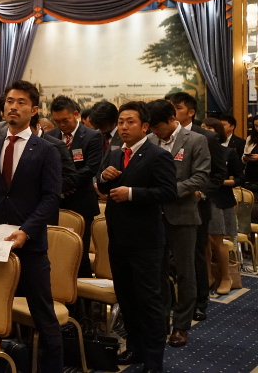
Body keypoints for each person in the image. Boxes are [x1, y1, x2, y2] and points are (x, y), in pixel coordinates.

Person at [0, 80, 63, 373]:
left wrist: (27, 230)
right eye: (9, 101)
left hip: (30, 242)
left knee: (43, 314)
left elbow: (51, 197)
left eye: (21, 102)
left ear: (34, 110)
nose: (13, 107)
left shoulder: (46, 150)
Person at [97, 101, 177, 373]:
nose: (123, 127)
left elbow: (168, 192)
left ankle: (153, 360)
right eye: (121, 122)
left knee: (149, 300)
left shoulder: (157, 155)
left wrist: (131, 193)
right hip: (118, 238)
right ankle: (135, 347)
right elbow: (103, 185)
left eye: (130, 122)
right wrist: (104, 178)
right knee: (126, 297)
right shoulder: (115, 154)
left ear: (144, 127)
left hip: (146, 241)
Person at [145, 99, 210, 348]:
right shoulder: (150, 140)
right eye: (151, 127)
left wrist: (170, 190)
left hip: (182, 214)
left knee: (185, 272)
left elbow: (201, 177)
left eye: (158, 126)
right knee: (157, 271)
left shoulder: (195, 140)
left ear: (172, 119)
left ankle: (181, 326)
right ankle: (160, 320)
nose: (155, 131)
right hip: (153, 215)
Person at [168, 92, 226, 324]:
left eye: (178, 108)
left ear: (191, 112)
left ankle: (200, 302)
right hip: (166, 205)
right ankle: (173, 301)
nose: (173, 113)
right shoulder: (159, 136)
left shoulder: (205, 137)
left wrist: (200, 193)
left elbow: (218, 175)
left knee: (195, 255)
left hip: (195, 205)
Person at [47, 95, 103, 277]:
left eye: (65, 120)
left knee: (80, 252)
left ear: (76, 114)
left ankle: (81, 289)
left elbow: (90, 168)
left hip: (81, 201)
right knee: (57, 251)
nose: (62, 125)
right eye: (57, 121)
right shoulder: (50, 136)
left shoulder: (92, 136)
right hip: (57, 202)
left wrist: (66, 182)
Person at [200, 117, 241, 296]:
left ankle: (226, 277)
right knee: (203, 242)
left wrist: (219, 182)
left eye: (209, 128)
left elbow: (240, 178)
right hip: (201, 198)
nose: (205, 131)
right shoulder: (198, 150)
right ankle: (208, 276)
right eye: (203, 128)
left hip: (219, 200)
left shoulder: (228, 152)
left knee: (217, 242)